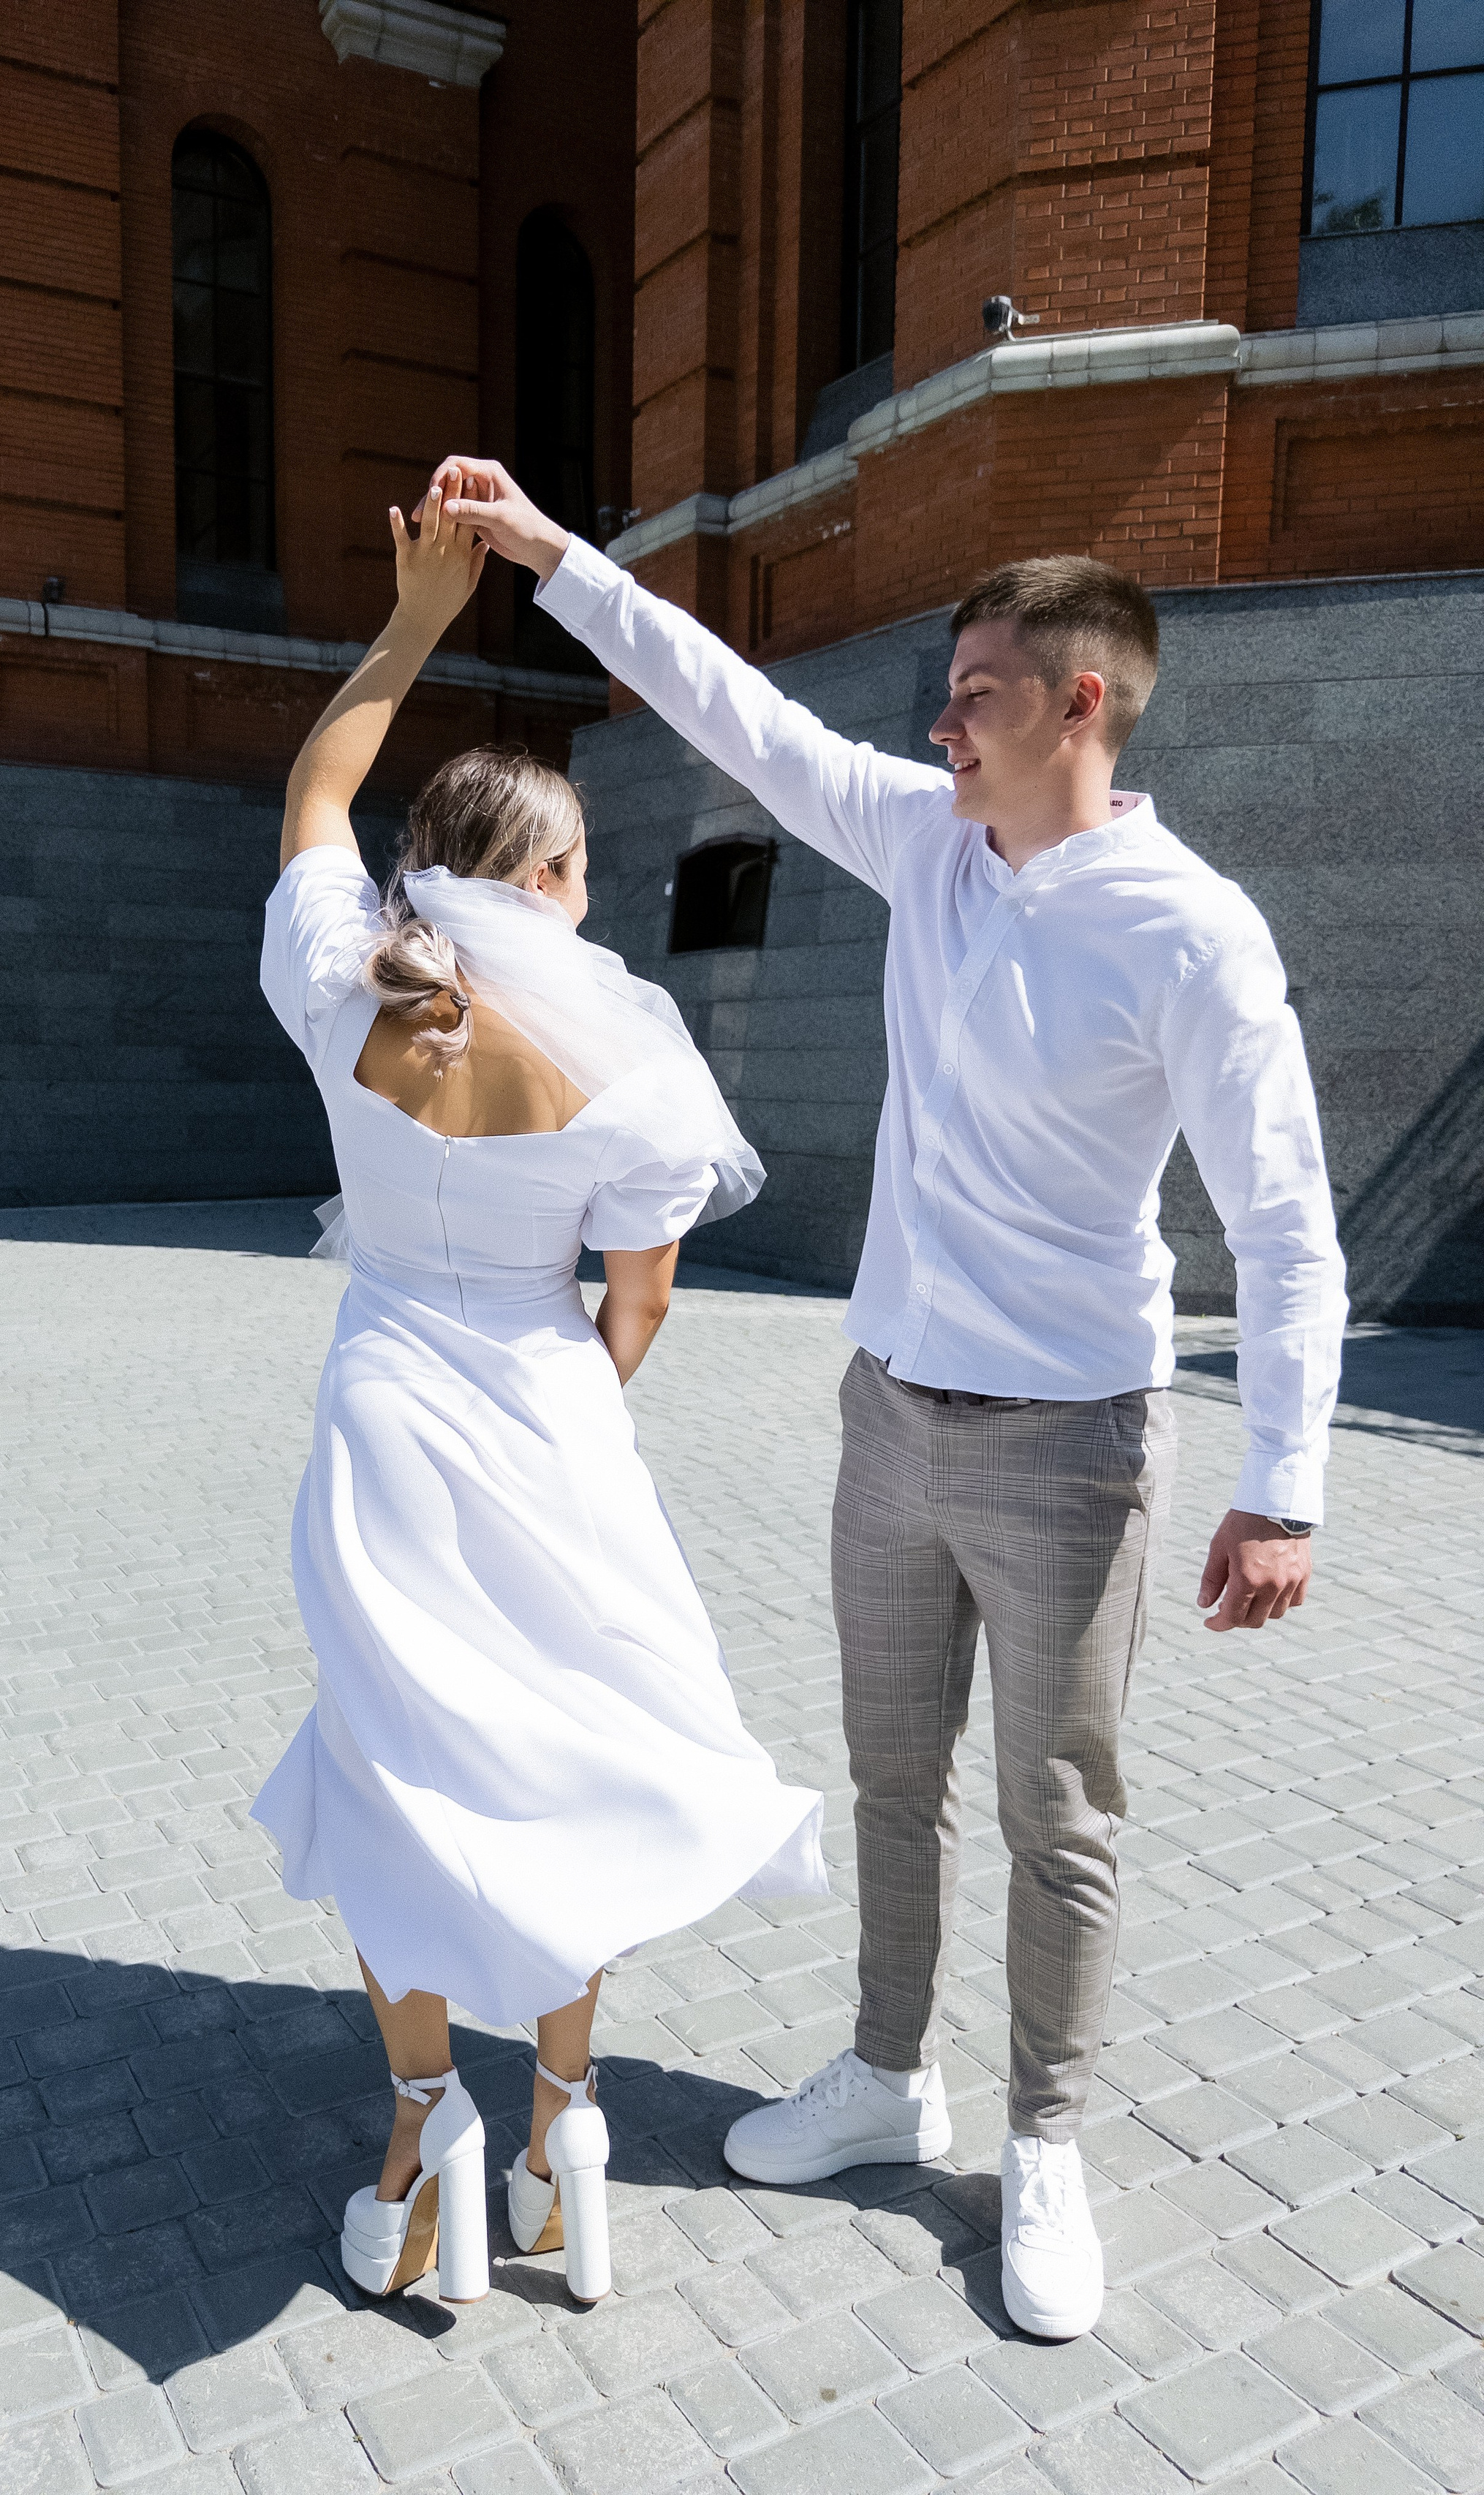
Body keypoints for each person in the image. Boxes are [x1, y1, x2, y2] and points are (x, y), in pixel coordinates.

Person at [423, 453, 1348, 2341]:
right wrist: (544, 554)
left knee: (1061, 1805)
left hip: (1077, 1440)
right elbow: (733, 703)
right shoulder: (928, 838)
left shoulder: (1191, 929)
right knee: (892, 1776)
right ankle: (880, 2070)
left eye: (980, 691)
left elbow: (1286, 1221)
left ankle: (1050, 2143)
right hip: (888, 1418)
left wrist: (1289, 1480)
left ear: (1082, 699)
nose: (942, 722)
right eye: (945, 692)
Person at [254, 473, 827, 2311]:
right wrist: (570, 1405)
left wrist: (417, 623)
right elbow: (635, 1305)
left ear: (438, 866)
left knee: (392, 1773)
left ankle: (421, 2129)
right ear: (560, 883)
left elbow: (314, 796)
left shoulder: (351, 976)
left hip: (382, 1425)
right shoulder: (633, 1068)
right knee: (567, 1775)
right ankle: (563, 2134)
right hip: (546, 1419)